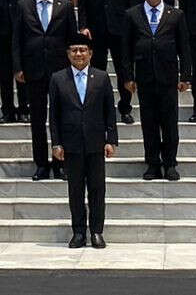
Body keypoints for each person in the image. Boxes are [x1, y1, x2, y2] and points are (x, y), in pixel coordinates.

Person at [49, 33, 117, 249]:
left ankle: (96, 231)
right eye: (74, 50)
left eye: (83, 50)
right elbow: (54, 115)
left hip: (96, 142)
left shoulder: (102, 77)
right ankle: (78, 232)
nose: (79, 54)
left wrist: (111, 139)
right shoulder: (58, 79)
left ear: (90, 53)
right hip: (71, 144)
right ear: (68, 54)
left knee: (97, 189)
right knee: (75, 190)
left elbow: (109, 111)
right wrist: (56, 143)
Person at [121, 0, 189, 181]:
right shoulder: (132, 15)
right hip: (144, 78)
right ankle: (152, 163)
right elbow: (125, 49)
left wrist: (185, 76)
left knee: (169, 123)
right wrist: (127, 77)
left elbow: (184, 49)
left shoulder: (175, 15)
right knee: (149, 124)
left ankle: (170, 163)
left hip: (168, 79)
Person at [15, 0, 78, 180]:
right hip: (34, 70)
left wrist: (73, 68)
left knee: (62, 118)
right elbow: (17, 40)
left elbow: (72, 39)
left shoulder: (66, 6)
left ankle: (61, 163)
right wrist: (18, 67)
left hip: (60, 71)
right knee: (38, 119)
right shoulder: (23, 5)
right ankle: (41, 163)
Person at [74, 0, 137, 123]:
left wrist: (132, 28)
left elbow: (132, 2)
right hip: (96, 30)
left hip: (120, 30)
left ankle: (125, 108)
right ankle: (98, 108)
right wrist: (83, 25)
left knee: (124, 70)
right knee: (97, 73)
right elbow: (82, 3)